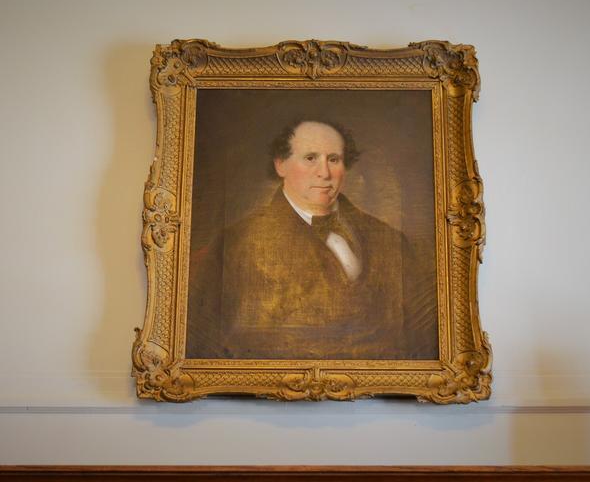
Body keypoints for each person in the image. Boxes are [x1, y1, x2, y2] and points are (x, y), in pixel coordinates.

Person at [186, 120, 438, 360]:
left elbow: (423, 334)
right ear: (280, 165)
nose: (324, 173)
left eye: (334, 159)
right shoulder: (236, 244)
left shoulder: (389, 239)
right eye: (310, 158)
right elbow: (205, 343)